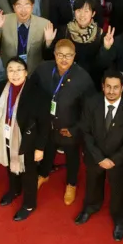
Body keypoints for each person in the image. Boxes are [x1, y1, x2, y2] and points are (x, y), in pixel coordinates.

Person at [76, 70, 123, 239]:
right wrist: (99, 158)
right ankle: (90, 207)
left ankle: (120, 220)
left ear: (122, 88)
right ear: (102, 87)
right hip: (94, 156)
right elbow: (86, 132)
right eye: (108, 87)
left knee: (120, 190)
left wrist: (114, 160)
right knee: (92, 183)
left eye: (116, 87)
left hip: (119, 160)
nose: (112, 91)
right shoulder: (91, 103)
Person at [34, 39, 95, 205]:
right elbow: (33, 92)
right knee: (47, 151)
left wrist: (76, 129)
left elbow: (90, 109)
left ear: (74, 56)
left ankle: (71, 183)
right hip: (47, 125)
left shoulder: (83, 78)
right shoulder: (43, 69)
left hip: (69, 128)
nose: (64, 59)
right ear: (54, 54)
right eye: (60, 55)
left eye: (68, 55)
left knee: (72, 156)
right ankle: (43, 174)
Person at [0, 57, 51, 221]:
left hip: (28, 141)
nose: (15, 74)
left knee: (29, 173)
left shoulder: (38, 93)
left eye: (19, 70)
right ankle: (14, 190)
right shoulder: (2, 87)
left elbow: (45, 123)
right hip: (6, 135)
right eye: (11, 70)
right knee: (10, 165)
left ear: (26, 72)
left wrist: (40, 148)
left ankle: (29, 204)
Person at [50, 0, 105, 81]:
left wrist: (107, 48)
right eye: (79, 10)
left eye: (86, 11)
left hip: (92, 80)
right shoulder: (64, 31)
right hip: (67, 79)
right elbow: (50, 57)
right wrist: (48, 42)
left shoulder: (100, 34)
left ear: (93, 13)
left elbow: (102, 64)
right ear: (74, 12)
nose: (82, 15)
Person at [0, 0, 54, 69]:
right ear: (14, 7)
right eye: (19, 6)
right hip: (8, 69)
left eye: (27, 5)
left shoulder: (44, 24)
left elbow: (48, 56)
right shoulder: (3, 20)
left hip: (34, 70)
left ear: (32, 6)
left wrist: (48, 42)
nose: (23, 10)